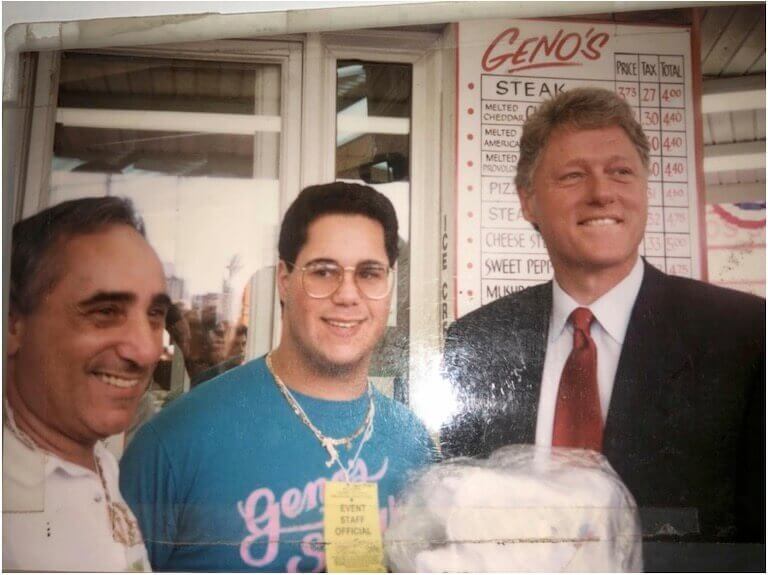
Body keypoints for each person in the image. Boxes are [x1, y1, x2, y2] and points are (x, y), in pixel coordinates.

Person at [441, 88, 764, 563]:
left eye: (621, 172)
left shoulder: (745, 336)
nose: (601, 193)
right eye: (573, 175)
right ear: (528, 201)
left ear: (644, 190)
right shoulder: (475, 341)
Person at [120, 182, 436, 572]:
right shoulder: (175, 441)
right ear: (284, 280)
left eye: (369, 273)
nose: (347, 295)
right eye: (324, 272)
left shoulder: (413, 442)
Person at [3, 196, 171, 571]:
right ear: (13, 323)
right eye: (105, 311)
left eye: (155, 315)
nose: (146, 350)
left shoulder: (100, 460)